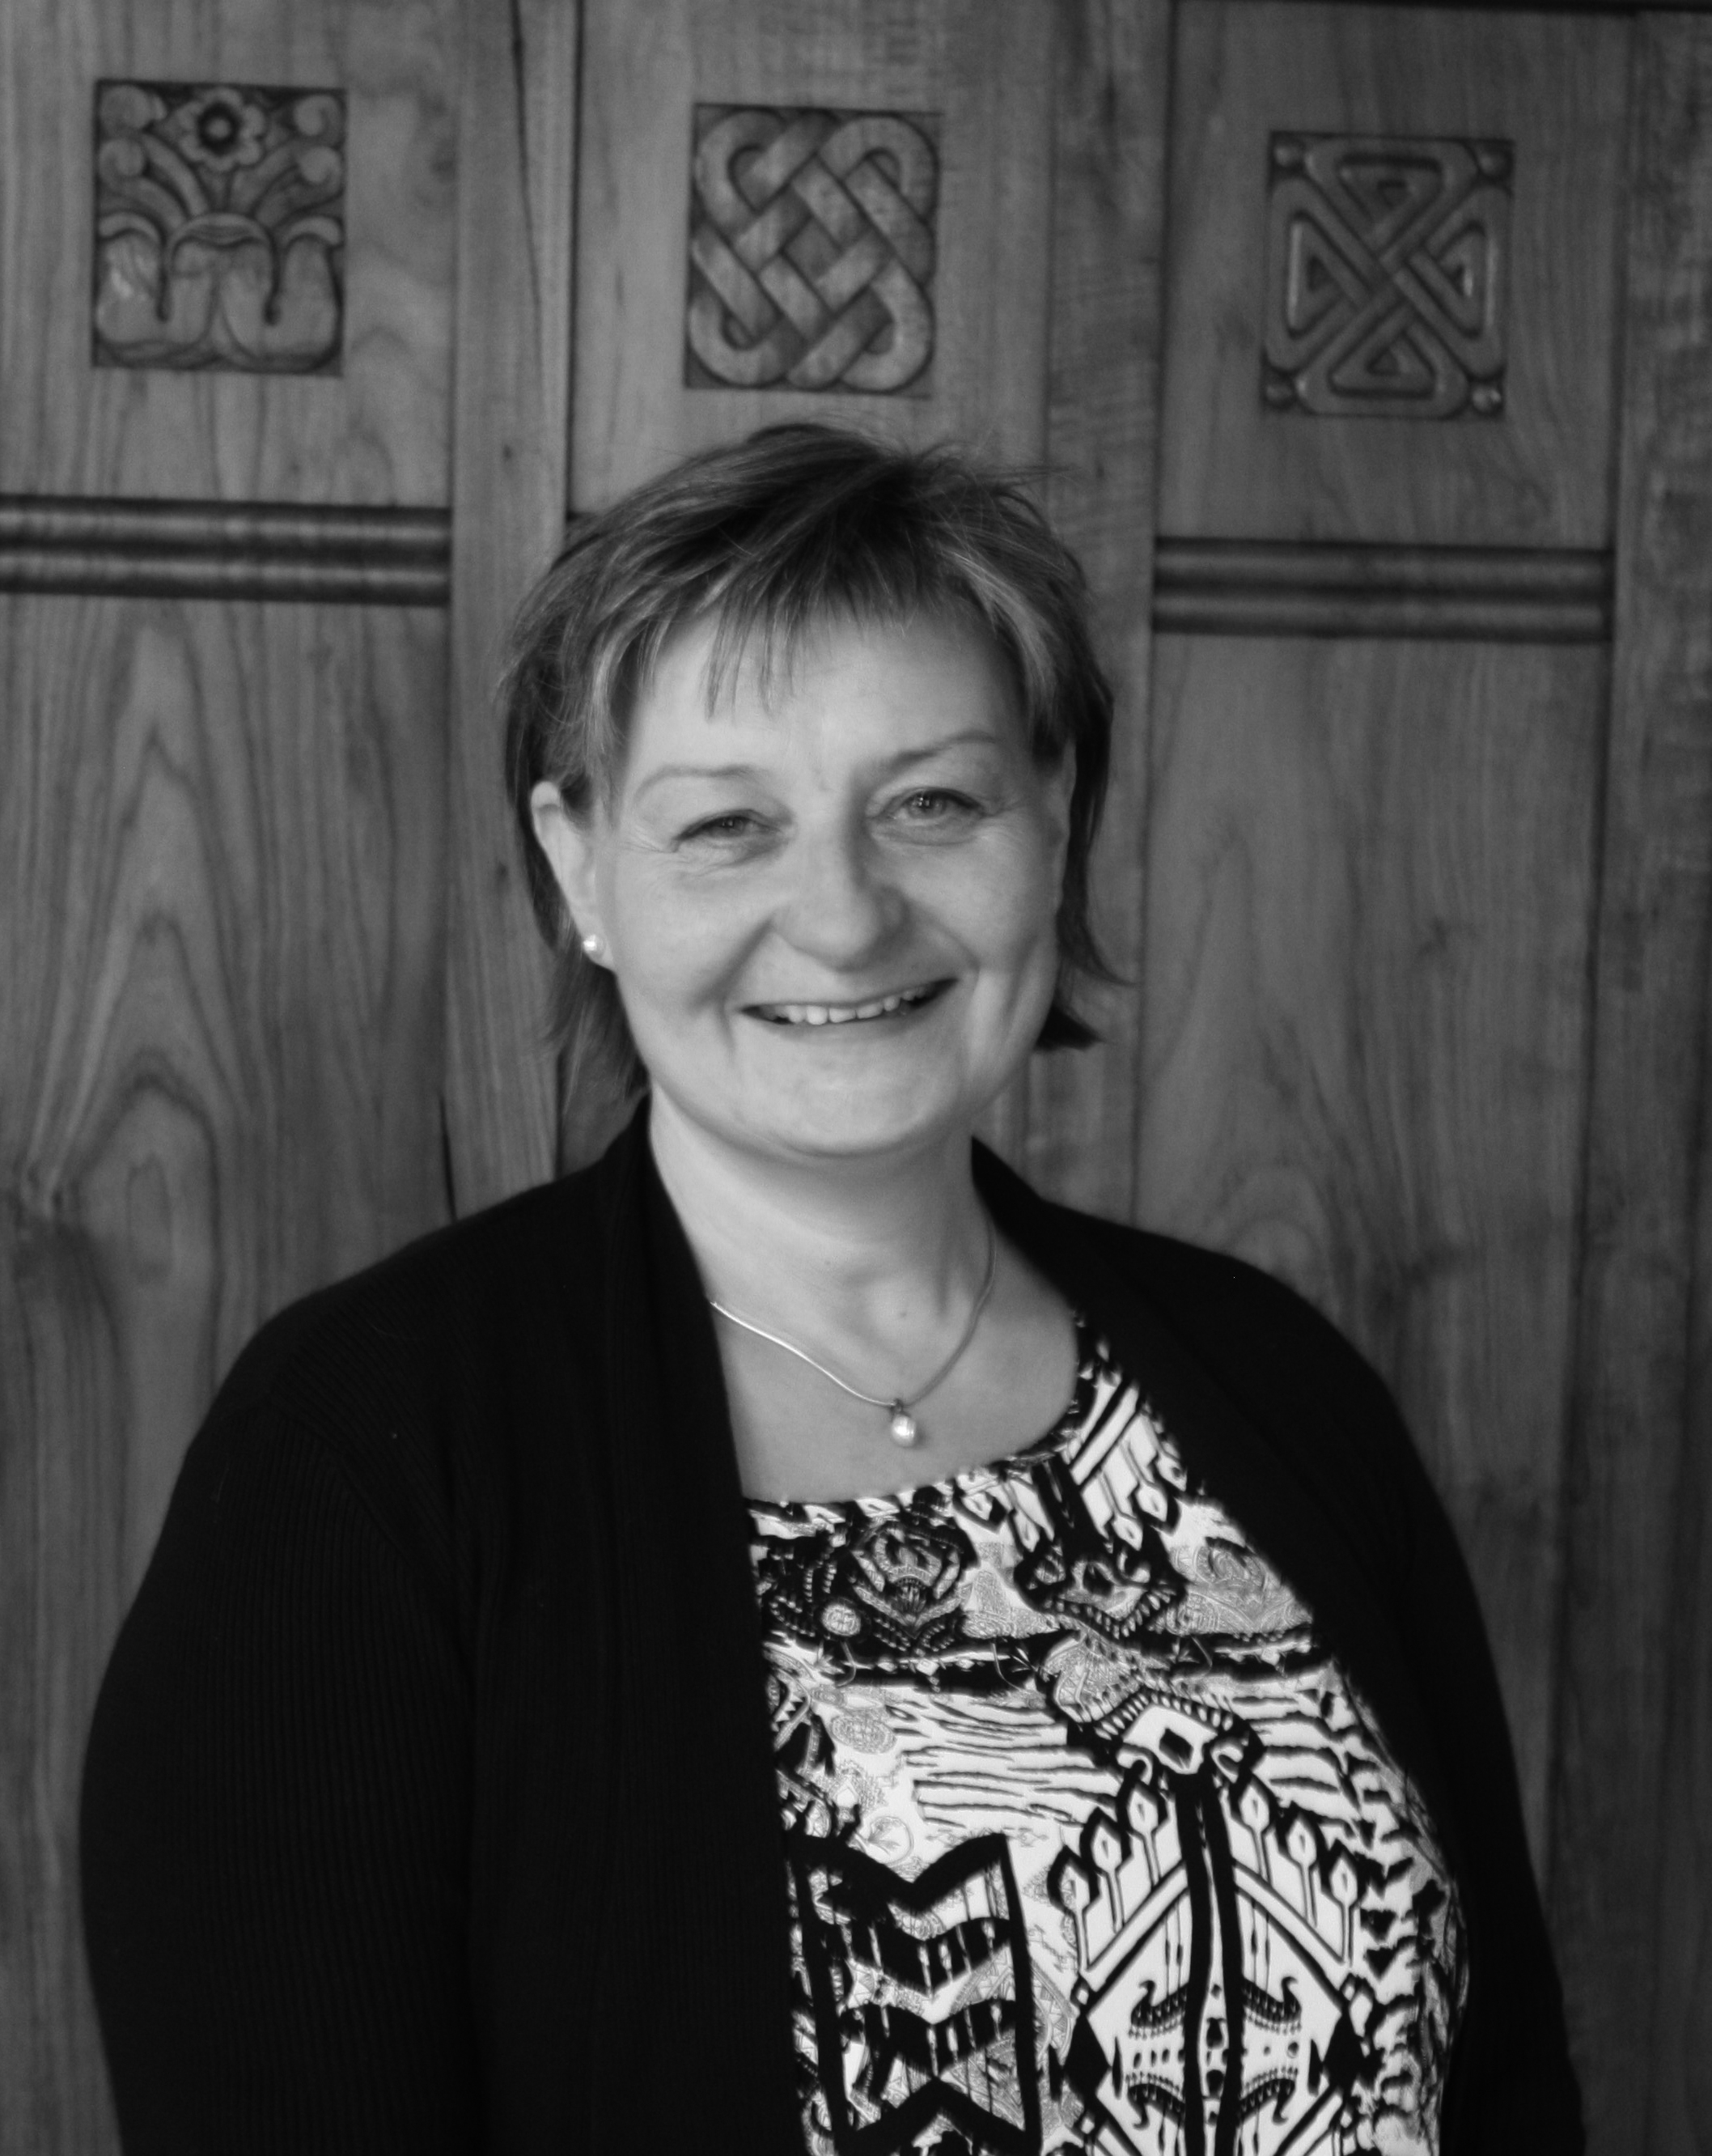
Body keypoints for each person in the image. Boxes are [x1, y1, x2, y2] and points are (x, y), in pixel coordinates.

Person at [80, 423, 1582, 2154]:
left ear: (1054, 817)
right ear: (579, 868)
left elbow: (1505, 2091)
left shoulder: (1277, 1386)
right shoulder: (358, 1461)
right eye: (727, 826)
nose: (847, 918)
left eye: (931, 803)